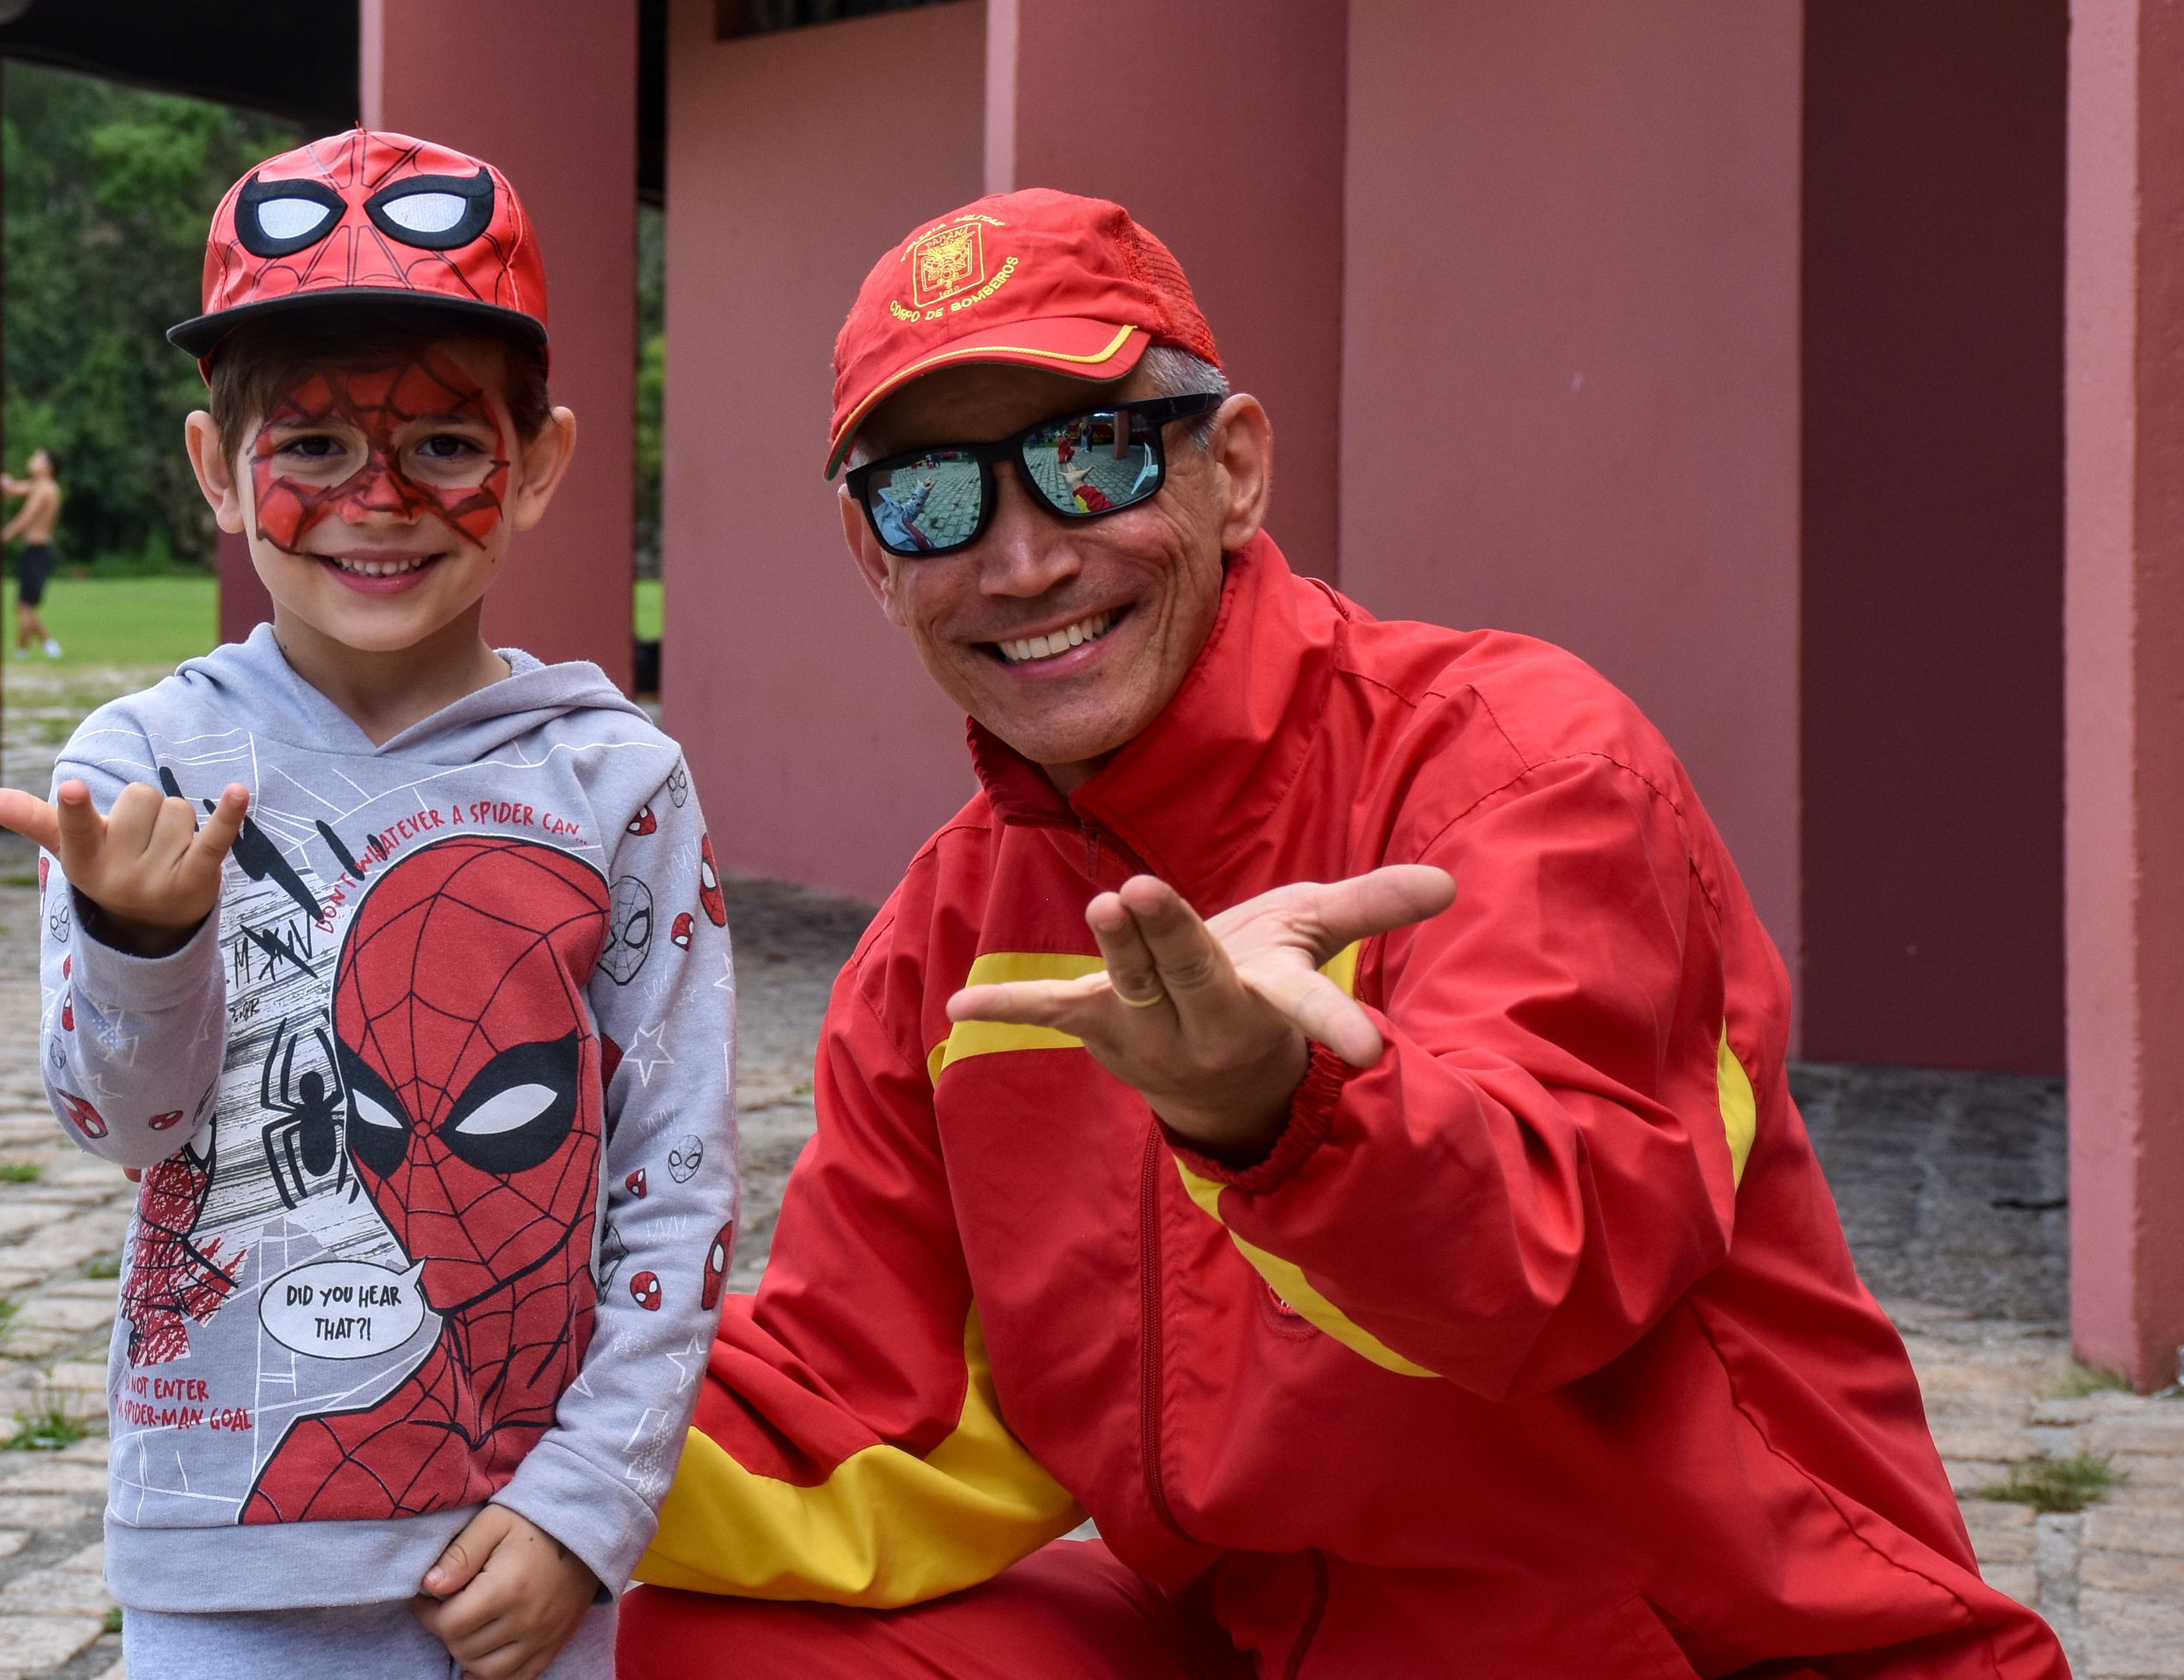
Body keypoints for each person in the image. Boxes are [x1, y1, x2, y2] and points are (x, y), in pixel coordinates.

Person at [617, 193, 2066, 1678]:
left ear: (1233, 468)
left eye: (1088, 454)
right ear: (874, 564)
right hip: (1280, 1649)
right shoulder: (943, 942)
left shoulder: (1526, 770)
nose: (1022, 561)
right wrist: (441, 1378)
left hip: (1725, 1651)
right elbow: (863, 1408)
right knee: (701, 1641)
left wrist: (1279, 1119)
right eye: (931, 497)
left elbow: (1548, 1273)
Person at [0, 130, 738, 1680]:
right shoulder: (140, 767)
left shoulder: (617, 782)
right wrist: (140, 945)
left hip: (522, 1552)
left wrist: (588, 1508)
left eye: (446, 447)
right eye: (310, 448)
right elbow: (119, 1127)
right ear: (214, 469)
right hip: (219, 1551)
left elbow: (678, 1177)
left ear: (535, 469)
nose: (376, 499)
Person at [2, 447, 67, 658]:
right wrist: (5, 483)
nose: (32, 460)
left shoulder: (46, 490)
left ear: (48, 466)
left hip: (38, 551)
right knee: (23, 606)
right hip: (34, 550)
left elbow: (26, 518)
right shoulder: (40, 486)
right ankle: (44, 646)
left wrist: (3, 536)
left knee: (24, 606)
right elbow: (14, 489)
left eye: (37, 458)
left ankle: (25, 651)